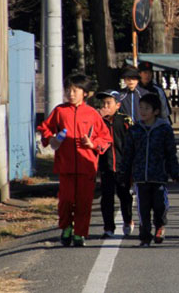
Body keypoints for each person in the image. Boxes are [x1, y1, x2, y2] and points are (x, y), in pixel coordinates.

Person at [37, 74, 112, 247]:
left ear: (85, 93)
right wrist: (51, 139)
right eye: (68, 90)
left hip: (87, 165)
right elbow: (45, 128)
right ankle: (65, 227)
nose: (71, 94)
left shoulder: (92, 114)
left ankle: (79, 233)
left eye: (75, 90)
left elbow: (106, 138)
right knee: (66, 200)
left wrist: (93, 144)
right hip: (65, 165)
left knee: (84, 202)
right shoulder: (59, 111)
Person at [119, 93, 179, 246]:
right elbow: (128, 153)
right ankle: (145, 236)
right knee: (143, 208)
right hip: (140, 175)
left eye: (147, 108)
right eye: (141, 108)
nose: (143, 111)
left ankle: (160, 225)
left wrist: (174, 171)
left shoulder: (164, 129)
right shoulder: (135, 130)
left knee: (160, 205)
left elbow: (171, 152)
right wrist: (124, 173)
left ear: (156, 111)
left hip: (159, 175)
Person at [96, 90, 134, 238]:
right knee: (106, 198)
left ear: (117, 105)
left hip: (123, 166)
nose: (105, 106)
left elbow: (132, 142)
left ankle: (128, 220)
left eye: (108, 103)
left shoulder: (125, 120)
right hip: (105, 165)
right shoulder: (98, 120)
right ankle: (108, 227)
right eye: (103, 103)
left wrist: (131, 163)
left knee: (124, 195)